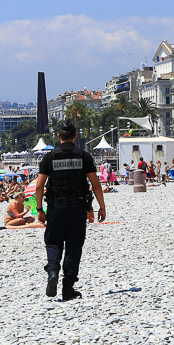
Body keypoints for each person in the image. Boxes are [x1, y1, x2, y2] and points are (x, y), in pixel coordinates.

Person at [35, 121, 106, 300]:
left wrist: (39, 209)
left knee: (53, 242)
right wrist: (101, 207)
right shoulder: (84, 156)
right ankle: (68, 287)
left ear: (59, 137)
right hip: (77, 207)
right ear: (75, 137)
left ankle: (52, 271)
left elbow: (39, 187)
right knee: (74, 246)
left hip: (56, 207)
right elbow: (95, 185)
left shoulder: (50, 157)